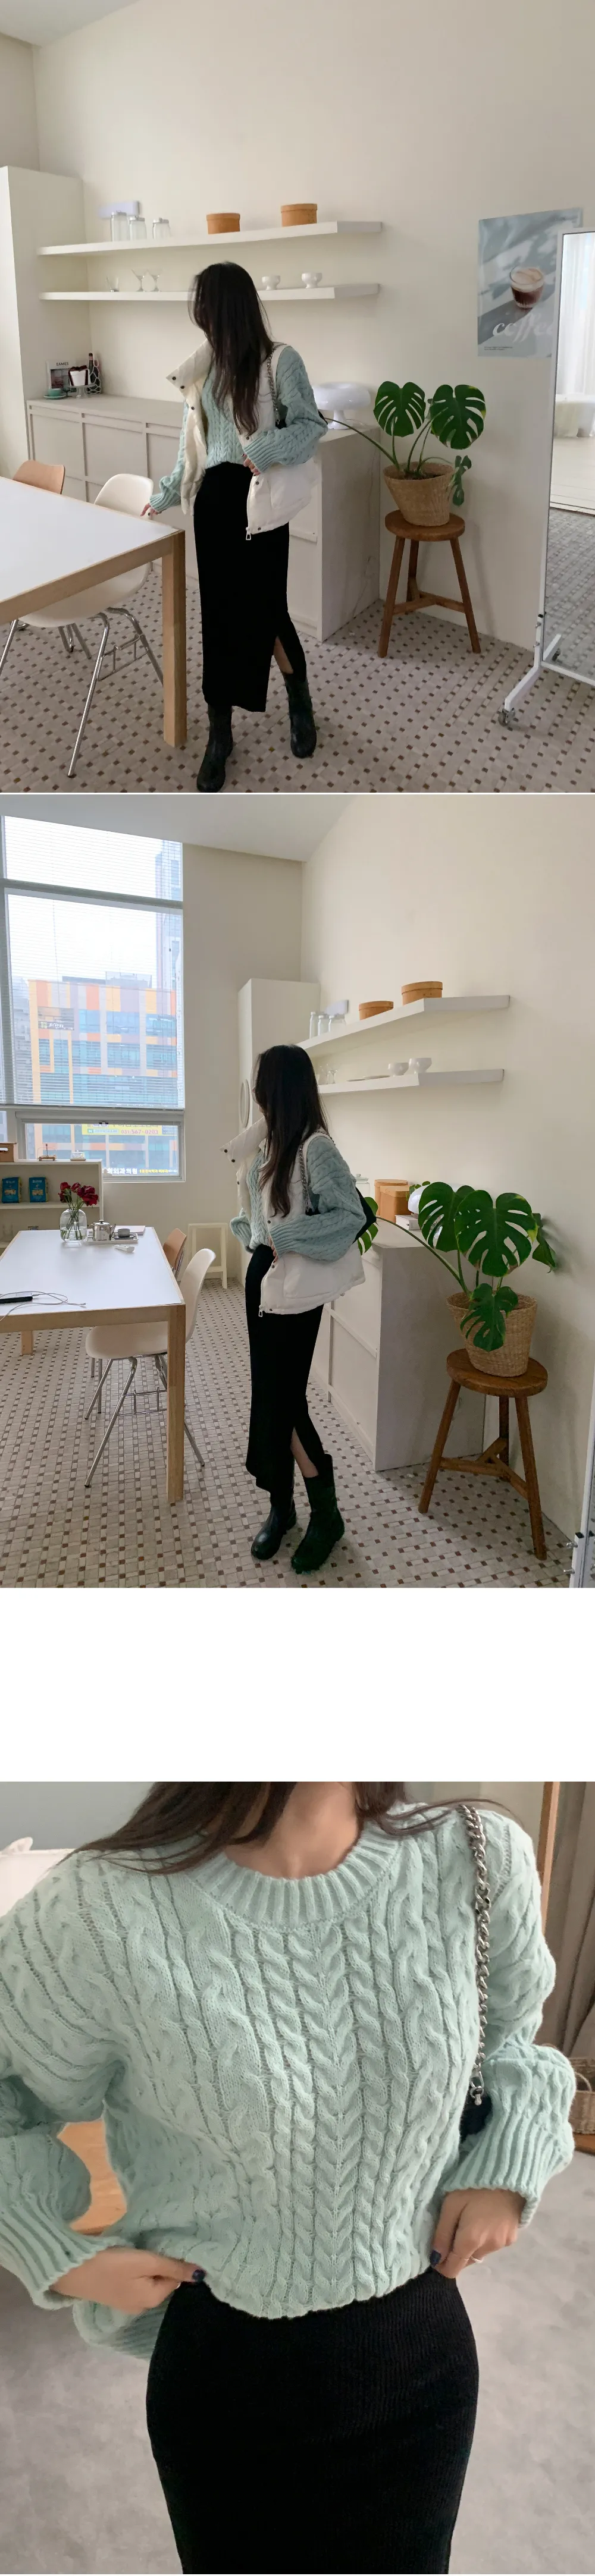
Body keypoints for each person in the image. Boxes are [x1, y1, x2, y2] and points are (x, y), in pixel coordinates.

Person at [0, 1782, 575, 2576]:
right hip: (226, 2365)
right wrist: (59, 2252)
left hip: (420, 2352)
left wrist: (510, 2159)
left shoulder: (475, 1855)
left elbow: (511, 2037)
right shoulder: (98, 1912)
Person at [146, 263, 327, 790]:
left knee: (268, 613)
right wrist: (165, 493)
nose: (200, 318)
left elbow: (311, 426)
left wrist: (266, 449)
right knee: (219, 619)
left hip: (260, 501)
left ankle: (298, 699)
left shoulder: (280, 361)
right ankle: (219, 733)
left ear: (227, 309)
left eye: (206, 307)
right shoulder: (203, 367)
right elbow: (193, 444)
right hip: (215, 505)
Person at [228, 1044, 368, 1573]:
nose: (256, 1091)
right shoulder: (272, 1143)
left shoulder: (316, 1147)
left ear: (280, 1088)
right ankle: (282, 1507)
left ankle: (324, 1514)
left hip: (293, 1289)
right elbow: (259, 1215)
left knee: (284, 1402)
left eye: (262, 1082)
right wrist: (254, 1235)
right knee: (271, 1399)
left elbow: (350, 1215)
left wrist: (284, 1237)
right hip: (264, 1281)